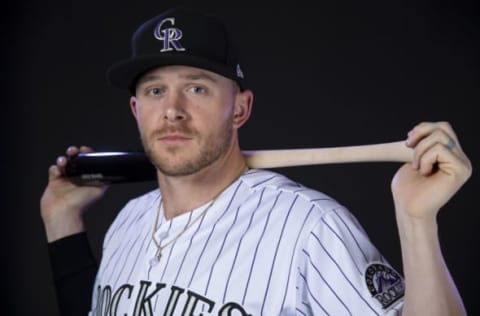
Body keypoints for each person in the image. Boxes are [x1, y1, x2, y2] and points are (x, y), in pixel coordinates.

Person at [40, 7, 471, 316]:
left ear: (240, 109)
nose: (172, 110)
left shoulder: (310, 227)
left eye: (197, 88)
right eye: (155, 91)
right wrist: (62, 221)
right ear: (137, 109)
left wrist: (416, 221)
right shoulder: (128, 221)